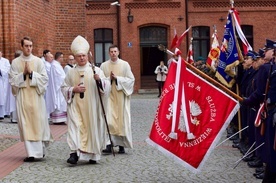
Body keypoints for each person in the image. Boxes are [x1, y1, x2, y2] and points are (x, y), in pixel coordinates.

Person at [61, 35, 111, 164]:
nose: (82, 58)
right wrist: (73, 90)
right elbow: (64, 87)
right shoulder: (71, 72)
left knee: (91, 129)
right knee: (74, 128)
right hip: (76, 107)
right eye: (79, 56)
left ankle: (92, 155)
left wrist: (99, 81)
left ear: (87, 56)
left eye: (83, 55)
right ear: (75, 57)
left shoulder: (96, 70)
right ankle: (74, 153)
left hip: (92, 107)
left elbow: (107, 86)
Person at [9, 36, 52, 162]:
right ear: (22, 47)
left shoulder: (38, 62)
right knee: (26, 125)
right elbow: (12, 81)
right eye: (26, 46)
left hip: (36, 97)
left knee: (38, 123)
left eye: (30, 46)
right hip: (23, 98)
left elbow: (45, 79)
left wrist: (32, 73)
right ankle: (31, 154)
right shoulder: (16, 62)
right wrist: (23, 74)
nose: (29, 48)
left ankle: (40, 151)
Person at [242, 39, 276, 182]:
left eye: (268, 50)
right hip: (269, 109)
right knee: (270, 149)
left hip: (271, 110)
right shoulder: (271, 68)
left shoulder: (268, 69)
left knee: (271, 148)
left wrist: (248, 101)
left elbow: (262, 92)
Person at [100, 45, 135, 154]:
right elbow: (100, 81)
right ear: (109, 53)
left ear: (118, 52)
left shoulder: (125, 65)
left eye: (115, 51)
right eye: (111, 52)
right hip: (109, 96)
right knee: (109, 120)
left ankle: (121, 145)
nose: (113, 53)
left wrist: (117, 79)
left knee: (121, 121)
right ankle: (109, 144)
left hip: (120, 96)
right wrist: (108, 79)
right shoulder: (104, 66)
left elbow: (131, 80)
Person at [48, 52, 67, 124]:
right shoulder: (55, 65)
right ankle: (58, 120)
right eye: (62, 57)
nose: (62, 59)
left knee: (62, 102)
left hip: (60, 87)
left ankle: (61, 119)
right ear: (59, 58)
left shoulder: (57, 65)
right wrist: (65, 79)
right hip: (57, 87)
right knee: (58, 102)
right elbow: (58, 77)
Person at [0, 51, 11, 121]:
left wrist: (1, 71)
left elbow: (8, 69)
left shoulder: (5, 61)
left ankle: (4, 113)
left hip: (4, 81)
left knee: (3, 97)